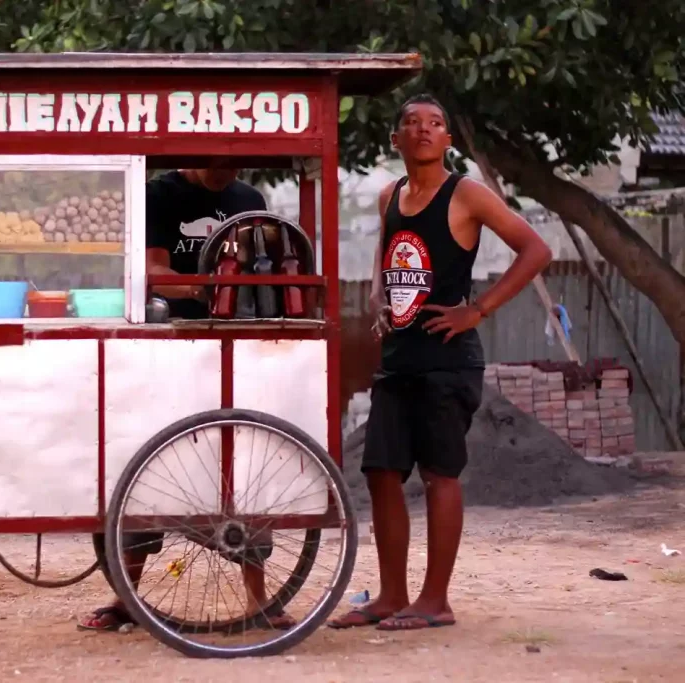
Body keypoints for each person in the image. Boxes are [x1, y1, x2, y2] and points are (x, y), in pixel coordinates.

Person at [327, 95, 552, 632]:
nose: (424, 130)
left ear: (448, 141)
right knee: (380, 472)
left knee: (439, 474)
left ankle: (435, 601)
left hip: (448, 362)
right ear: (395, 141)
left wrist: (478, 310)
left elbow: (536, 250)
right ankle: (390, 595)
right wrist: (382, 300)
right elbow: (385, 262)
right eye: (411, 123)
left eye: (435, 124)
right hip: (398, 359)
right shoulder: (388, 197)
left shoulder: (467, 194)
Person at [78, 162, 294, 632]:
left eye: (233, 158)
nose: (224, 170)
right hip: (169, 346)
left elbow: (271, 262)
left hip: (236, 346)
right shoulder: (159, 195)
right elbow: (154, 271)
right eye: (212, 157)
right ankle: (126, 599)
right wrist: (206, 288)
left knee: (245, 467)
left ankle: (261, 601)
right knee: (148, 469)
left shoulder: (248, 202)